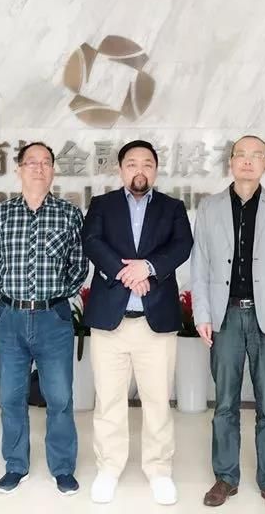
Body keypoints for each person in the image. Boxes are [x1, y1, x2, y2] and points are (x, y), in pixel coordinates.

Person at [191, 135, 265, 513]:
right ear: (231, 162)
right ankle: (226, 476)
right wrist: (202, 314)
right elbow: (200, 265)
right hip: (225, 315)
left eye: (256, 156)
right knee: (225, 402)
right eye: (241, 155)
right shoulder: (210, 207)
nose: (248, 161)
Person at [82, 140, 193, 505]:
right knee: (109, 400)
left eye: (147, 163)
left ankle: (159, 470)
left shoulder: (172, 207)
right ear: (120, 169)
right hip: (110, 322)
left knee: (158, 401)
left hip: (154, 321)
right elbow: (92, 242)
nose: (139, 170)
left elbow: (182, 246)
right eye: (131, 163)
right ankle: (109, 468)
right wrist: (126, 273)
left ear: (156, 170)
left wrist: (148, 267)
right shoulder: (102, 205)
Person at [0, 142, 88, 496]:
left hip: (53, 317)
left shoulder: (69, 214)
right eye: (32, 162)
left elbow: (79, 264)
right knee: (11, 396)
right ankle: (15, 465)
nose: (39, 168)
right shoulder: (1, 213)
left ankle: (63, 468)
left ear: (53, 170)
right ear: (19, 169)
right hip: (11, 316)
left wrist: (55, 296)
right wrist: (12, 294)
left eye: (46, 162)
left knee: (59, 397)